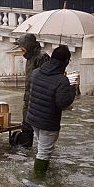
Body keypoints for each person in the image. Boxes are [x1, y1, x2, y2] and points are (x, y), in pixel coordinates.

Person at [25, 45, 76, 176]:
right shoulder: (61, 80)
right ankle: (37, 179)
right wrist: (72, 89)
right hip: (48, 120)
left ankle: (43, 169)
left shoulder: (36, 73)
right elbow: (62, 102)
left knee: (41, 147)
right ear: (65, 61)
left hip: (33, 117)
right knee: (44, 151)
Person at [16, 34, 49, 145]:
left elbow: (44, 79)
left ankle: (43, 149)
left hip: (38, 97)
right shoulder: (29, 57)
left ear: (28, 46)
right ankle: (26, 146)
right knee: (26, 122)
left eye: (22, 47)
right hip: (29, 95)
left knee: (40, 125)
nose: (21, 50)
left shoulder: (42, 57)